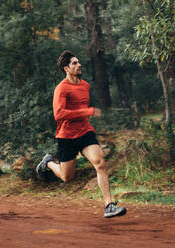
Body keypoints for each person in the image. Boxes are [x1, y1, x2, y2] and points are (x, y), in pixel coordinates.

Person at [36, 50, 126, 218]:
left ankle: (109, 205)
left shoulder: (85, 86)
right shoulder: (61, 89)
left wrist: (85, 113)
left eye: (79, 62)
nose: (79, 65)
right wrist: (87, 111)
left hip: (85, 132)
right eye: (74, 63)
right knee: (66, 177)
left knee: (100, 163)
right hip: (67, 137)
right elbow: (59, 114)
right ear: (66, 68)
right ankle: (48, 162)